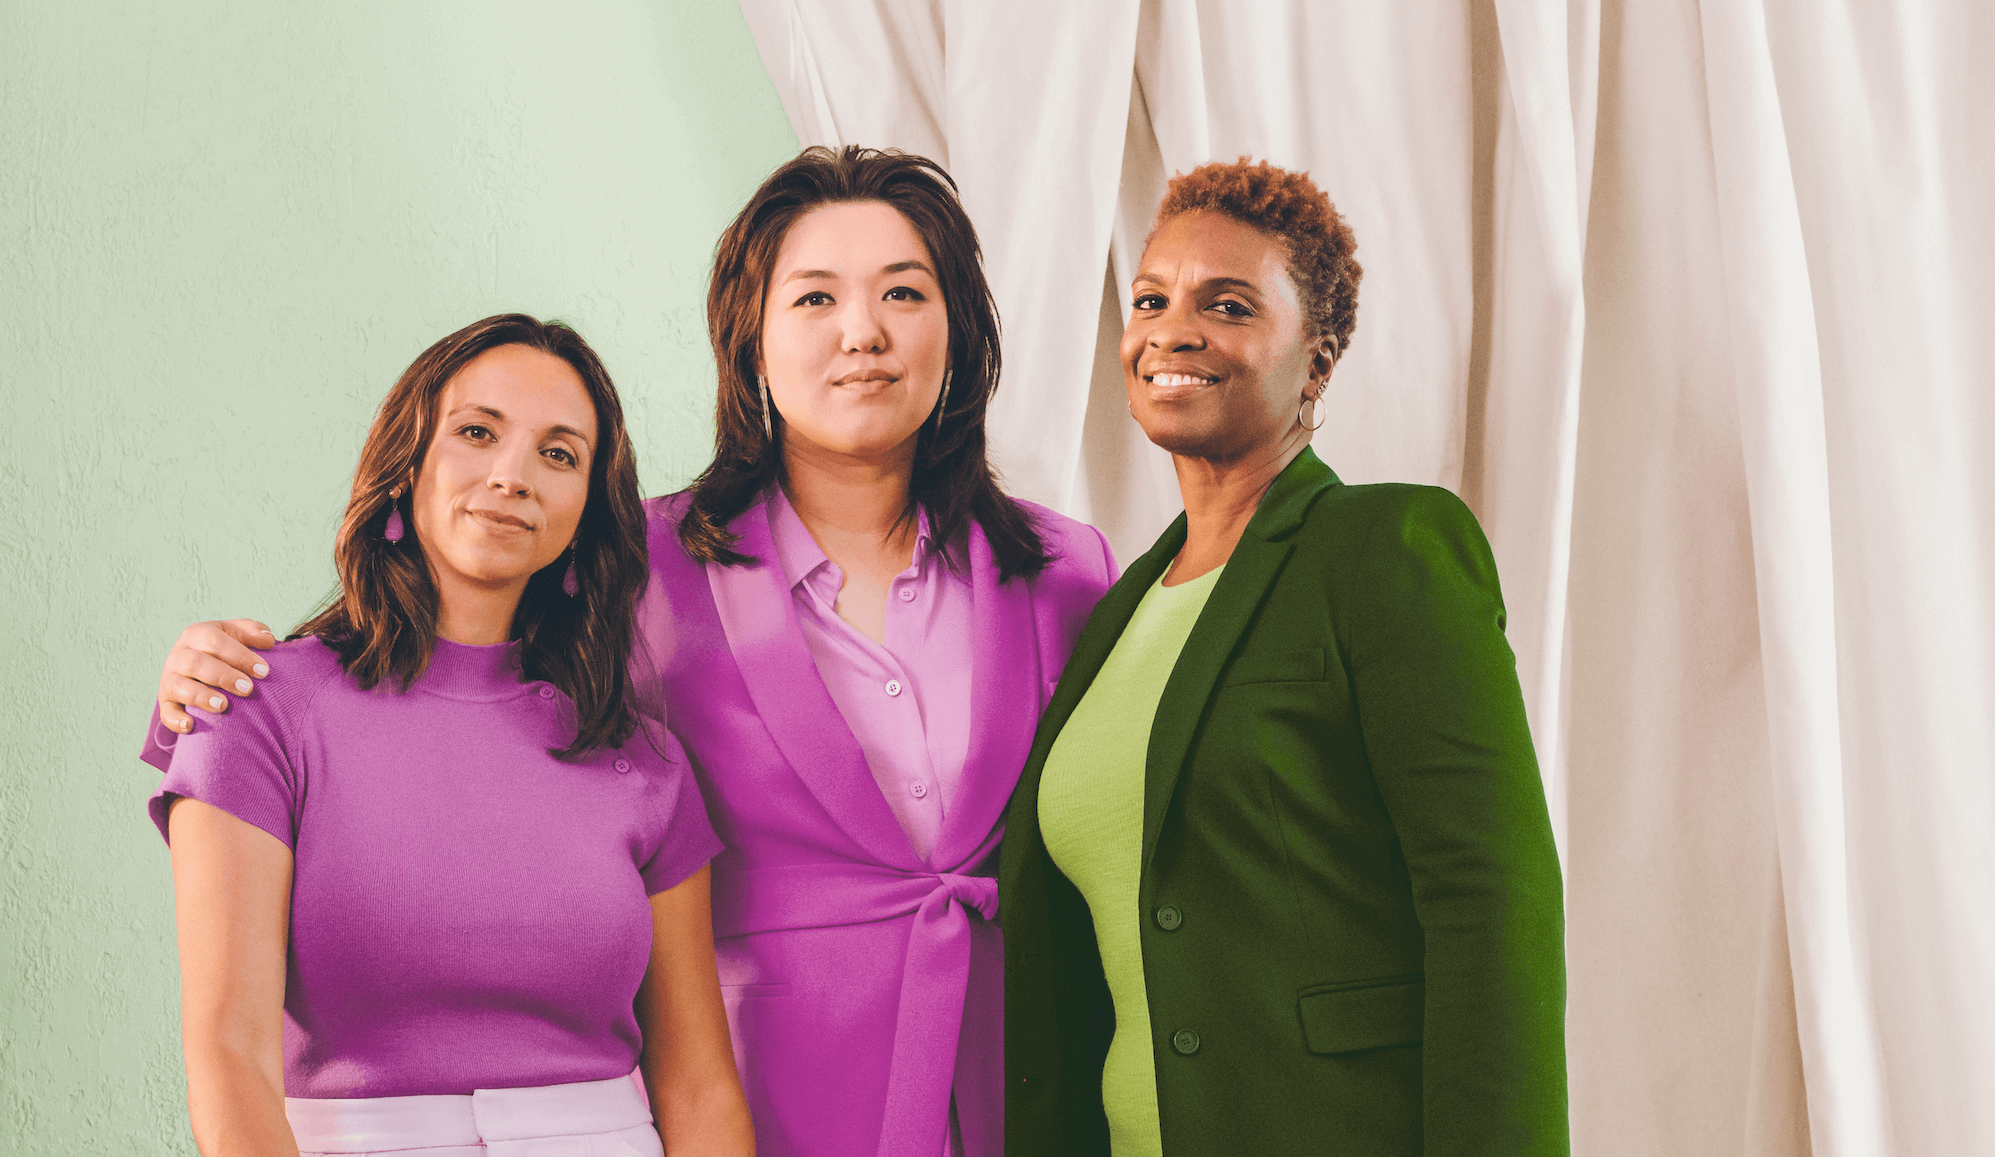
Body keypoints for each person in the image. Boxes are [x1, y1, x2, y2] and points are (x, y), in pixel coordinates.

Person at [148, 148, 1117, 1157]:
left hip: (1015, 1082)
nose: (862, 332)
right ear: (750, 343)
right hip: (769, 1087)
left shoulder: (1068, 573)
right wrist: (213, 675)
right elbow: (439, 672)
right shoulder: (626, 564)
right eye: (815, 296)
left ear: (958, 327)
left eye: (905, 292)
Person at [999, 159, 1570, 1157]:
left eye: (1228, 304)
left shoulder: (1384, 548)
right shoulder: (1117, 609)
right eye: (1151, 300)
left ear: (1317, 356)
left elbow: (1493, 907)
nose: (1174, 329)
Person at [146, 314, 755, 1157]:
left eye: (559, 453)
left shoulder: (642, 758)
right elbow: (229, 1054)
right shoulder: (253, 706)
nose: (512, 476)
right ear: (406, 463)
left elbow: (698, 1083)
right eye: (476, 432)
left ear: (584, 513)